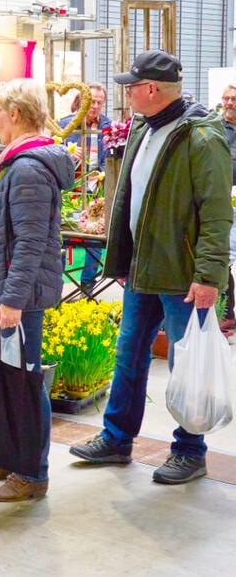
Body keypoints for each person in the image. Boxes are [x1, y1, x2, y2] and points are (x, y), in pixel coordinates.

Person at [69, 50, 232, 485]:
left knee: (187, 364)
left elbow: (217, 215)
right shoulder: (144, 125)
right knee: (129, 355)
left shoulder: (202, 136)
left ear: (152, 90)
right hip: (144, 269)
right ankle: (117, 439)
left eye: (131, 86)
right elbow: (130, 197)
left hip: (183, 275)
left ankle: (190, 451)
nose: (127, 93)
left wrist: (208, 276)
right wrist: (123, 256)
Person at [0, 78, 76, 502]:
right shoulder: (19, 162)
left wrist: (12, 299)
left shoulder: (29, 168)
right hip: (14, 291)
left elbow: (32, 241)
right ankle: (9, 456)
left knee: (26, 382)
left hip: (22, 297)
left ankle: (33, 474)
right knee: (7, 377)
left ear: (15, 115)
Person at [59, 82, 112, 289]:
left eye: (99, 103)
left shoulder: (108, 127)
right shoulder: (65, 125)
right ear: (82, 102)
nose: (95, 106)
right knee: (62, 236)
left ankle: (87, 285)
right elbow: (53, 153)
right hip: (70, 190)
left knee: (95, 237)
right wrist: (68, 155)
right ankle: (58, 286)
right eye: (92, 102)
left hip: (95, 190)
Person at [219, 84, 236, 329]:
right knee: (223, 257)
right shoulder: (216, 128)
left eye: (234, 99)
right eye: (226, 98)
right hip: (223, 200)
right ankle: (225, 314)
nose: (230, 103)